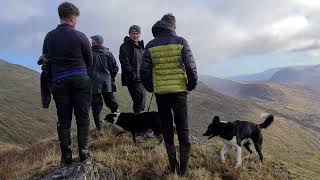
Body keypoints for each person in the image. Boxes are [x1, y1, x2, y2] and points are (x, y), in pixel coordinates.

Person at [140, 13, 198, 176]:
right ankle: (183, 170)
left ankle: (173, 166)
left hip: (162, 94)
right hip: (179, 92)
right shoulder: (181, 42)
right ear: (173, 26)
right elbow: (191, 67)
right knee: (183, 128)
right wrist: (190, 86)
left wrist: (152, 88)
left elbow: (143, 71)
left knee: (167, 128)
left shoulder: (150, 45)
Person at [42, 2, 93, 164]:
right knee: (83, 116)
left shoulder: (49, 36)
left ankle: (67, 155)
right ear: (73, 18)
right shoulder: (81, 36)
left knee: (64, 119)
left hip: (59, 82)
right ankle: (84, 151)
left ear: (60, 16)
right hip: (80, 79)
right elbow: (89, 61)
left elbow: (45, 59)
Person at [88, 35, 119, 130]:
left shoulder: (88, 53)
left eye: (93, 41)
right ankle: (118, 123)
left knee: (96, 107)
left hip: (93, 84)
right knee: (112, 104)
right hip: (107, 83)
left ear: (95, 42)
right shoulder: (108, 53)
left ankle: (99, 128)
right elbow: (115, 68)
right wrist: (110, 77)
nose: (91, 42)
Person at [119, 25, 146, 113]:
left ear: (140, 34)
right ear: (129, 34)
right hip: (133, 79)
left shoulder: (142, 46)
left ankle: (139, 123)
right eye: (133, 33)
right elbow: (124, 62)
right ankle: (138, 124)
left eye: (137, 33)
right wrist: (133, 74)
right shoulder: (125, 46)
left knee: (142, 102)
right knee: (139, 102)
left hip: (142, 79)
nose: (135, 35)